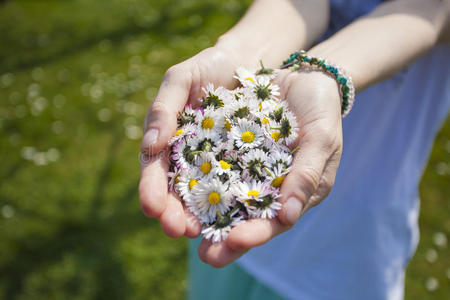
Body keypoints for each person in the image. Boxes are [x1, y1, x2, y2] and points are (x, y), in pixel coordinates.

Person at [139, 0, 450, 299]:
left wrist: (323, 74)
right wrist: (239, 52)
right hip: (227, 206)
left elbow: (433, 9)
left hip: (350, 235)